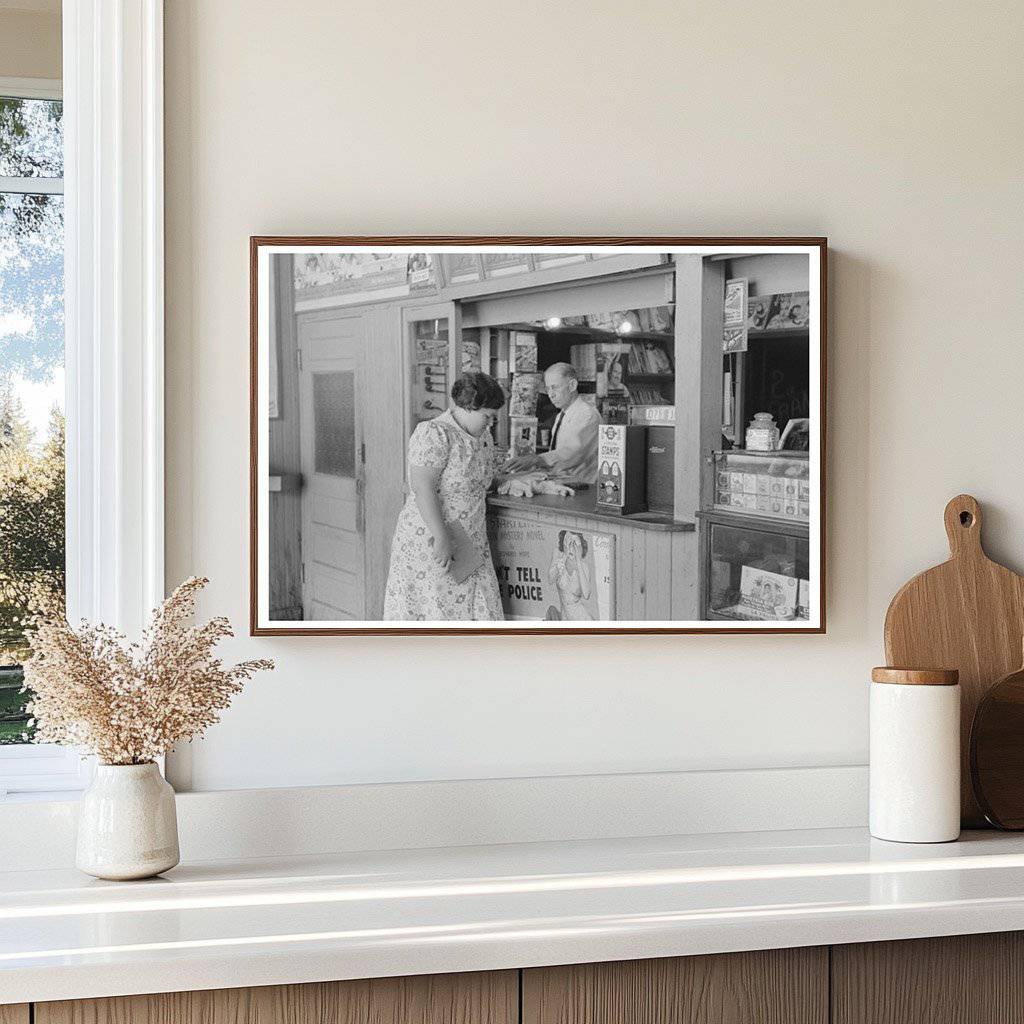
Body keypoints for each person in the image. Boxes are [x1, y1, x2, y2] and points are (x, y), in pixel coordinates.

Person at [383, 372, 506, 621]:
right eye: (487, 416)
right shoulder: (434, 433)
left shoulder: (483, 438)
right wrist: (441, 537)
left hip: (471, 541)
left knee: (478, 610)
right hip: (433, 539)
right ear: (469, 407)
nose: (491, 423)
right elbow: (422, 487)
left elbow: (479, 481)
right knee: (434, 611)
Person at [506, 363, 601, 483]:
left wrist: (537, 459)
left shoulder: (587, 414)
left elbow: (573, 452)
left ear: (572, 385)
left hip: (583, 485)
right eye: (548, 389)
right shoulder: (561, 415)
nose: (551, 394)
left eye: (555, 387)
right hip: (564, 482)